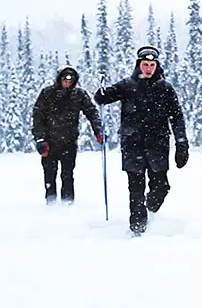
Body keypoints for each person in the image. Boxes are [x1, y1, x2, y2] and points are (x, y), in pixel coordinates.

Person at [94, 45, 189, 235]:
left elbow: (176, 116)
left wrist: (182, 143)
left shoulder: (165, 88)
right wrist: (102, 95)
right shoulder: (128, 85)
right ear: (139, 65)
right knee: (135, 190)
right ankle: (137, 229)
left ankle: (149, 213)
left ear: (157, 66)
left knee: (161, 187)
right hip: (133, 146)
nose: (148, 68)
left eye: (151, 65)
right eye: (145, 64)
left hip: (158, 145)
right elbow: (103, 97)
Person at [32, 65, 104, 204]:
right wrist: (40, 139)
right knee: (49, 175)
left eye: (70, 80)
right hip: (49, 142)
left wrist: (98, 130)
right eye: (65, 80)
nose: (67, 83)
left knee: (68, 175)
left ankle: (68, 204)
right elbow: (38, 116)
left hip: (69, 143)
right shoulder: (47, 94)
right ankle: (51, 203)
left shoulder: (79, 95)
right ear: (59, 79)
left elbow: (91, 112)